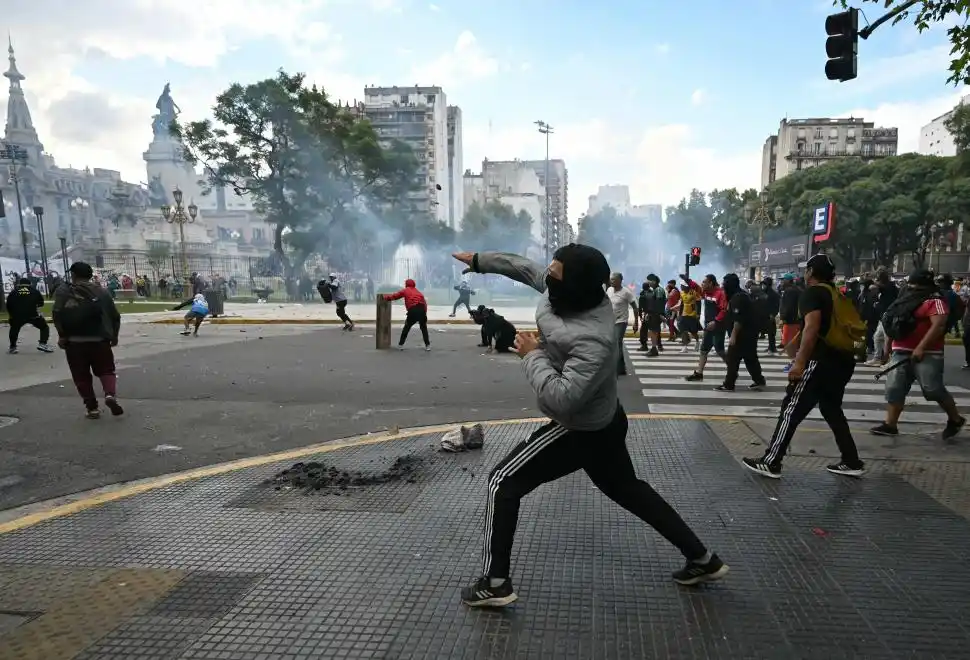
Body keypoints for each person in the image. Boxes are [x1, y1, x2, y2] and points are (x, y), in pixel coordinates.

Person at [452, 245, 728, 608]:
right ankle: (703, 560)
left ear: (575, 285)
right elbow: (523, 267)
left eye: (556, 271)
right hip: (606, 421)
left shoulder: (594, 340)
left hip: (581, 429)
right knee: (629, 490)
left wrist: (531, 355)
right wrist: (480, 261)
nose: (547, 274)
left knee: (502, 482)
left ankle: (495, 582)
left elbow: (563, 399)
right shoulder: (561, 288)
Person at [742, 254, 865, 479]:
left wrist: (799, 363)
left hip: (820, 361)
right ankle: (851, 460)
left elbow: (811, 328)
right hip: (844, 361)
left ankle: (772, 461)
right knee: (831, 409)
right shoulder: (838, 294)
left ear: (810, 272)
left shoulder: (813, 293)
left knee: (791, 409)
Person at [870, 269, 966, 440]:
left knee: (932, 389)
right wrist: (887, 347)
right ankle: (890, 424)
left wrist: (921, 347)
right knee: (894, 387)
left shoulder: (935, 301)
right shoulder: (903, 299)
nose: (912, 289)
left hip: (929, 351)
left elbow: (938, 325)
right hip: (901, 349)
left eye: (915, 286)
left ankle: (955, 419)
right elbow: (892, 321)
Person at [51, 262, 123, 419]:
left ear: (74, 275)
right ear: (90, 275)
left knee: (81, 375)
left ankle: (92, 408)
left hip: (74, 342)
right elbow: (115, 316)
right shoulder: (102, 292)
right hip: (99, 340)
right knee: (106, 370)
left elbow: (57, 314)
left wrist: (62, 335)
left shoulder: (64, 291)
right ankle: (110, 394)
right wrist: (114, 336)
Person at [716, 274, 766, 392]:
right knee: (750, 358)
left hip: (742, 334)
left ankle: (729, 384)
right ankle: (759, 380)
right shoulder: (739, 295)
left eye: (725, 283)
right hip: (749, 334)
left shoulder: (738, 298)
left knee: (732, 358)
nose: (723, 286)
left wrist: (733, 336)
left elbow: (739, 319)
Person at [684, 273, 728, 382]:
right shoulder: (706, 292)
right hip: (708, 326)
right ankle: (699, 373)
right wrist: (688, 280)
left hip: (718, 326)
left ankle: (732, 368)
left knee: (720, 350)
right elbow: (697, 288)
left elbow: (724, 310)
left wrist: (716, 321)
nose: (702, 284)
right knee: (703, 350)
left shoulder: (720, 294)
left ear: (711, 283)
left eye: (704, 282)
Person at [6, 278, 54, 354]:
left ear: (19, 284)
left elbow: (8, 305)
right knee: (44, 327)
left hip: (18, 315)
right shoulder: (35, 291)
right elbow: (41, 303)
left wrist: (11, 315)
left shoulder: (13, 292)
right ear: (30, 284)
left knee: (14, 329)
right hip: (33, 315)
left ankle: (12, 347)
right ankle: (43, 344)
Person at [383, 279, 430, 351]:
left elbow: (396, 296)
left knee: (407, 327)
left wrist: (386, 298)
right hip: (422, 310)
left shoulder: (405, 290)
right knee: (424, 329)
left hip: (413, 310)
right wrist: (424, 314)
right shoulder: (419, 292)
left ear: (406, 284)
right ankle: (427, 346)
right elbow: (425, 304)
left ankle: (400, 345)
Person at [608, 272, 638, 376]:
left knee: (617, 342)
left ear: (620, 280)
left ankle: (617, 369)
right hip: (611, 321)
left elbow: (635, 307)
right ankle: (621, 368)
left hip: (621, 321)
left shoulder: (626, 292)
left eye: (614, 279)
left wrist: (636, 322)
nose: (611, 281)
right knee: (615, 344)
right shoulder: (609, 290)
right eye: (611, 279)